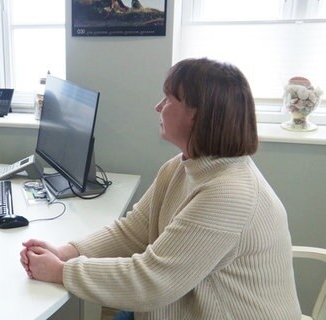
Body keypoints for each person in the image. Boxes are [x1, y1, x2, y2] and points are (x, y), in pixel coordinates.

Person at [20, 58, 301, 319]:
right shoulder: (180, 167)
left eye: (168, 99)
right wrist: (66, 252)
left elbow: (152, 282)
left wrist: (62, 272)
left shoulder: (230, 194)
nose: (157, 106)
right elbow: (132, 232)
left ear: (197, 114)